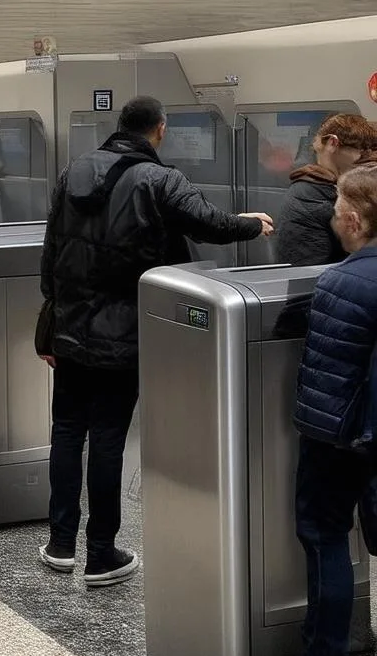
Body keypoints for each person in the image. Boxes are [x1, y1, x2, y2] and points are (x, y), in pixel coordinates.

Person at [39, 96, 273, 587]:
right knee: (106, 439)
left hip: (70, 326)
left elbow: (52, 247)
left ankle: (60, 544)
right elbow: (210, 225)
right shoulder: (158, 179)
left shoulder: (74, 170)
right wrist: (252, 222)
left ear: (119, 126)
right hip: (123, 333)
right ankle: (101, 554)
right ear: (159, 130)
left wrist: (52, 315)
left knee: (66, 431)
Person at [267, 163, 377, 656]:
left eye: (336, 205)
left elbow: (323, 363)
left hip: (341, 438)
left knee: (324, 537)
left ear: (353, 220)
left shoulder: (339, 280)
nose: (332, 213)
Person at [276, 114, 377, 267]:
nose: (364, 157)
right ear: (333, 143)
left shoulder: (320, 183)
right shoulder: (313, 195)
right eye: (361, 150)